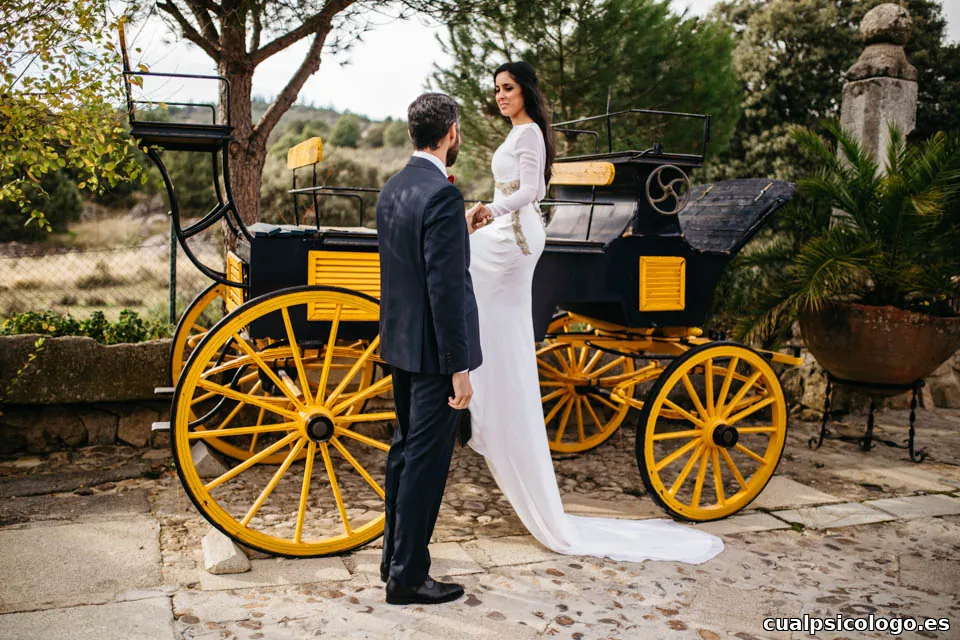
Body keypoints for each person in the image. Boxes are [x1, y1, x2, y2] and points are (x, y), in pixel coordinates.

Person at [466, 61, 724, 564]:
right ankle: (479, 381)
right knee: (474, 286)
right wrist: (485, 208)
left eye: (508, 88)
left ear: (526, 92)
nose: (500, 96)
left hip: (516, 235)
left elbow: (532, 192)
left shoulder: (532, 133)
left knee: (467, 277)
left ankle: (477, 381)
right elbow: (508, 188)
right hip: (503, 226)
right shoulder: (515, 132)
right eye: (496, 89)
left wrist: (489, 212)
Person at [375, 92, 490, 605]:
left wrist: (459, 231)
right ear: (450, 134)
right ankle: (407, 578)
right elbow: (446, 288)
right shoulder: (442, 194)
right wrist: (458, 368)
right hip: (434, 355)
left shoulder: (395, 188)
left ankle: (392, 561)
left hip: (400, 343)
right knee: (425, 462)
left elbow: (413, 259)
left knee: (403, 454)